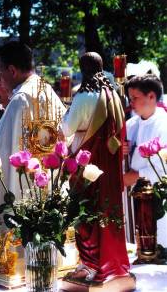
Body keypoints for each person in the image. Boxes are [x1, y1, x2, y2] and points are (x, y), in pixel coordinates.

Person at [0, 41, 66, 264]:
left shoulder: (21, 99)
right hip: (48, 183)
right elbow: (66, 134)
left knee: (22, 256)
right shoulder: (47, 91)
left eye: (0, 72)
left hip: (22, 187)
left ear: (12, 70)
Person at [61, 52, 130, 284]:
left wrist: (65, 113)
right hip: (109, 165)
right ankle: (115, 264)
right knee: (108, 211)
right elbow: (121, 132)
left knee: (87, 212)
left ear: (83, 68)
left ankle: (91, 265)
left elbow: (67, 130)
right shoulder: (113, 93)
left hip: (87, 161)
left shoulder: (83, 96)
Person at [124, 74, 167, 248]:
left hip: (158, 200)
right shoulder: (130, 125)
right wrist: (120, 152)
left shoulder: (164, 125)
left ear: (151, 96)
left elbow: (164, 169)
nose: (131, 103)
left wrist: (136, 176)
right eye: (130, 98)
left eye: (135, 98)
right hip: (133, 200)